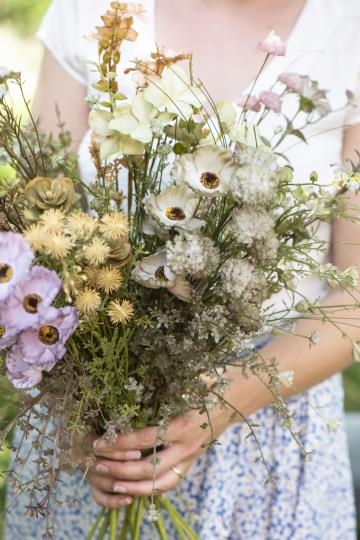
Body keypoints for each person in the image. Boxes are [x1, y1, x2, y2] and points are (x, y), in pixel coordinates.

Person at [5, 0, 360, 538]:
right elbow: (34, 240)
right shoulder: (92, 12)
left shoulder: (346, 29)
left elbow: (354, 297)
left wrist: (219, 403)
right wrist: (77, 407)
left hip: (267, 444)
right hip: (94, 430)